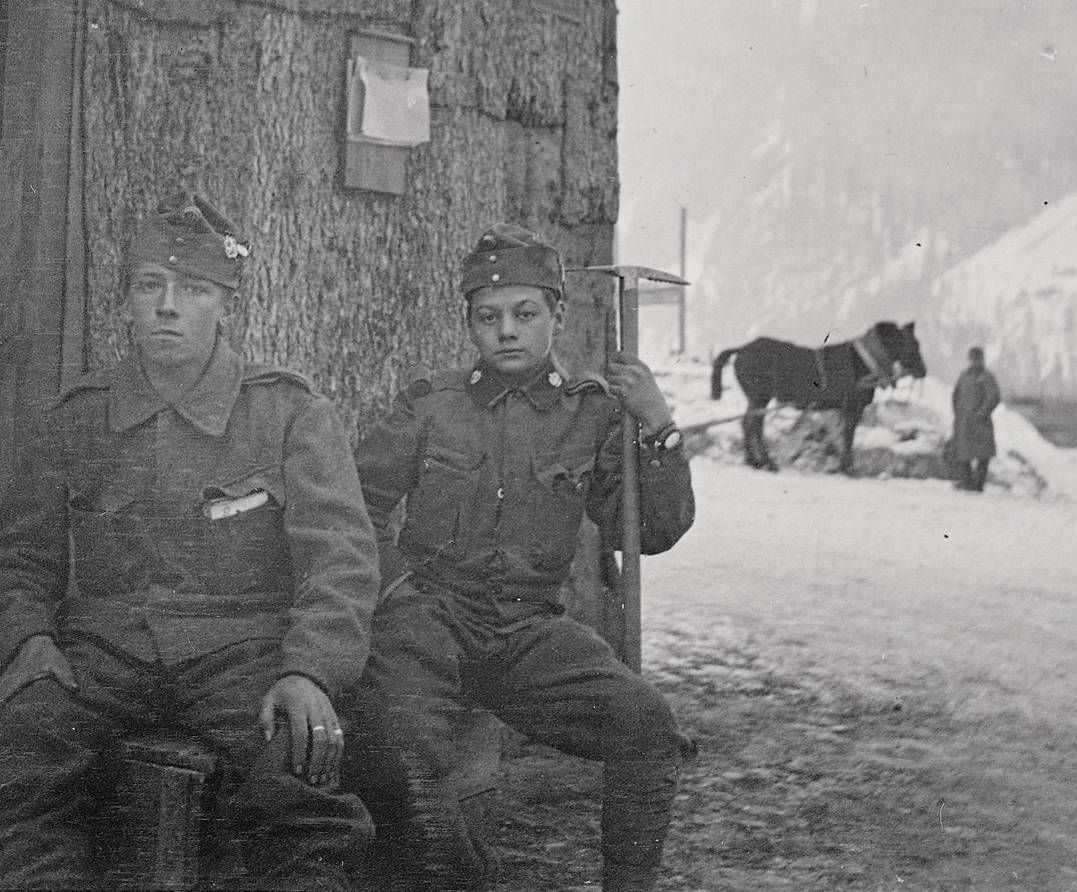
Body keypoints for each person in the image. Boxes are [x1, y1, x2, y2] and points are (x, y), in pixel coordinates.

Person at [0, 192, 380, 891]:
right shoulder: (77, 418)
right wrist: (28, 640)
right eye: (150, 286)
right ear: (126, 303)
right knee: (18, 757)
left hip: (244, 653)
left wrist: (310, 671)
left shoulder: (289, 413)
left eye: (193, 289)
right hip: (103, 654)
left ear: (227, 305)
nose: (168, 307)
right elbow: (22, 555)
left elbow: (340, 562)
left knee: (298, 787)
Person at [347, 224, 696, 892]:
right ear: (470, 324)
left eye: (525, 313)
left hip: (527, 633)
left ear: (556, 315)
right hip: (427, 627)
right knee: (394, 757)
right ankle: (455, 875)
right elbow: (356, 505)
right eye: (488, 316)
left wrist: (657, 425)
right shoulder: (430, 406)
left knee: (645, 725)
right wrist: (394, 594)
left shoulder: (591, 414)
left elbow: (648, 532)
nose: (506, 330)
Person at [951, 345, 1002, 492]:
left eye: (977, 358)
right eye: (973, 358)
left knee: (983, 455)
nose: (975, 361)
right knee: (963, 454)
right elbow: (956, 395)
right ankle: (966, 482)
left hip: (981, 423)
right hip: (964, 422)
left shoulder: (987, 377)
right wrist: (958, 414)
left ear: (982, 359)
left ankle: (978, 485)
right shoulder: (963, 376)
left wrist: (982, 413)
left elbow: (994, 397)